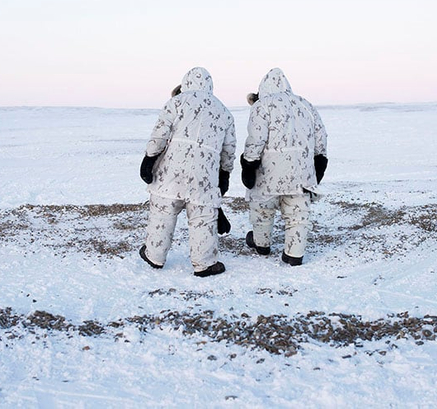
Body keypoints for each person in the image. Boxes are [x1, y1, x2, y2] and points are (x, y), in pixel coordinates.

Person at [139, 67, 236, 277]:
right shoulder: (224, 112)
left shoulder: (176, 101)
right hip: (205, 176)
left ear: (185, 83)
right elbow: (228, 150)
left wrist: (149, 159)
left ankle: (154, 256)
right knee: (203, 218)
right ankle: (205, 264)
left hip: (170, 172)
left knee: (162, 213)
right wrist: (225, 174)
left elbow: (160, 133)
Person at [241, 67, 328, 266]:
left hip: (269, 171)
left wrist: (249, 163)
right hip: (301, 171)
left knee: (262, 208)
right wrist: (319, 161)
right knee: (297, 214)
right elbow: (321, 138)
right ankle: (294, 254)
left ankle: (262, 244)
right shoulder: (306, 105)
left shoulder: (262, 105)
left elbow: (256, 138)